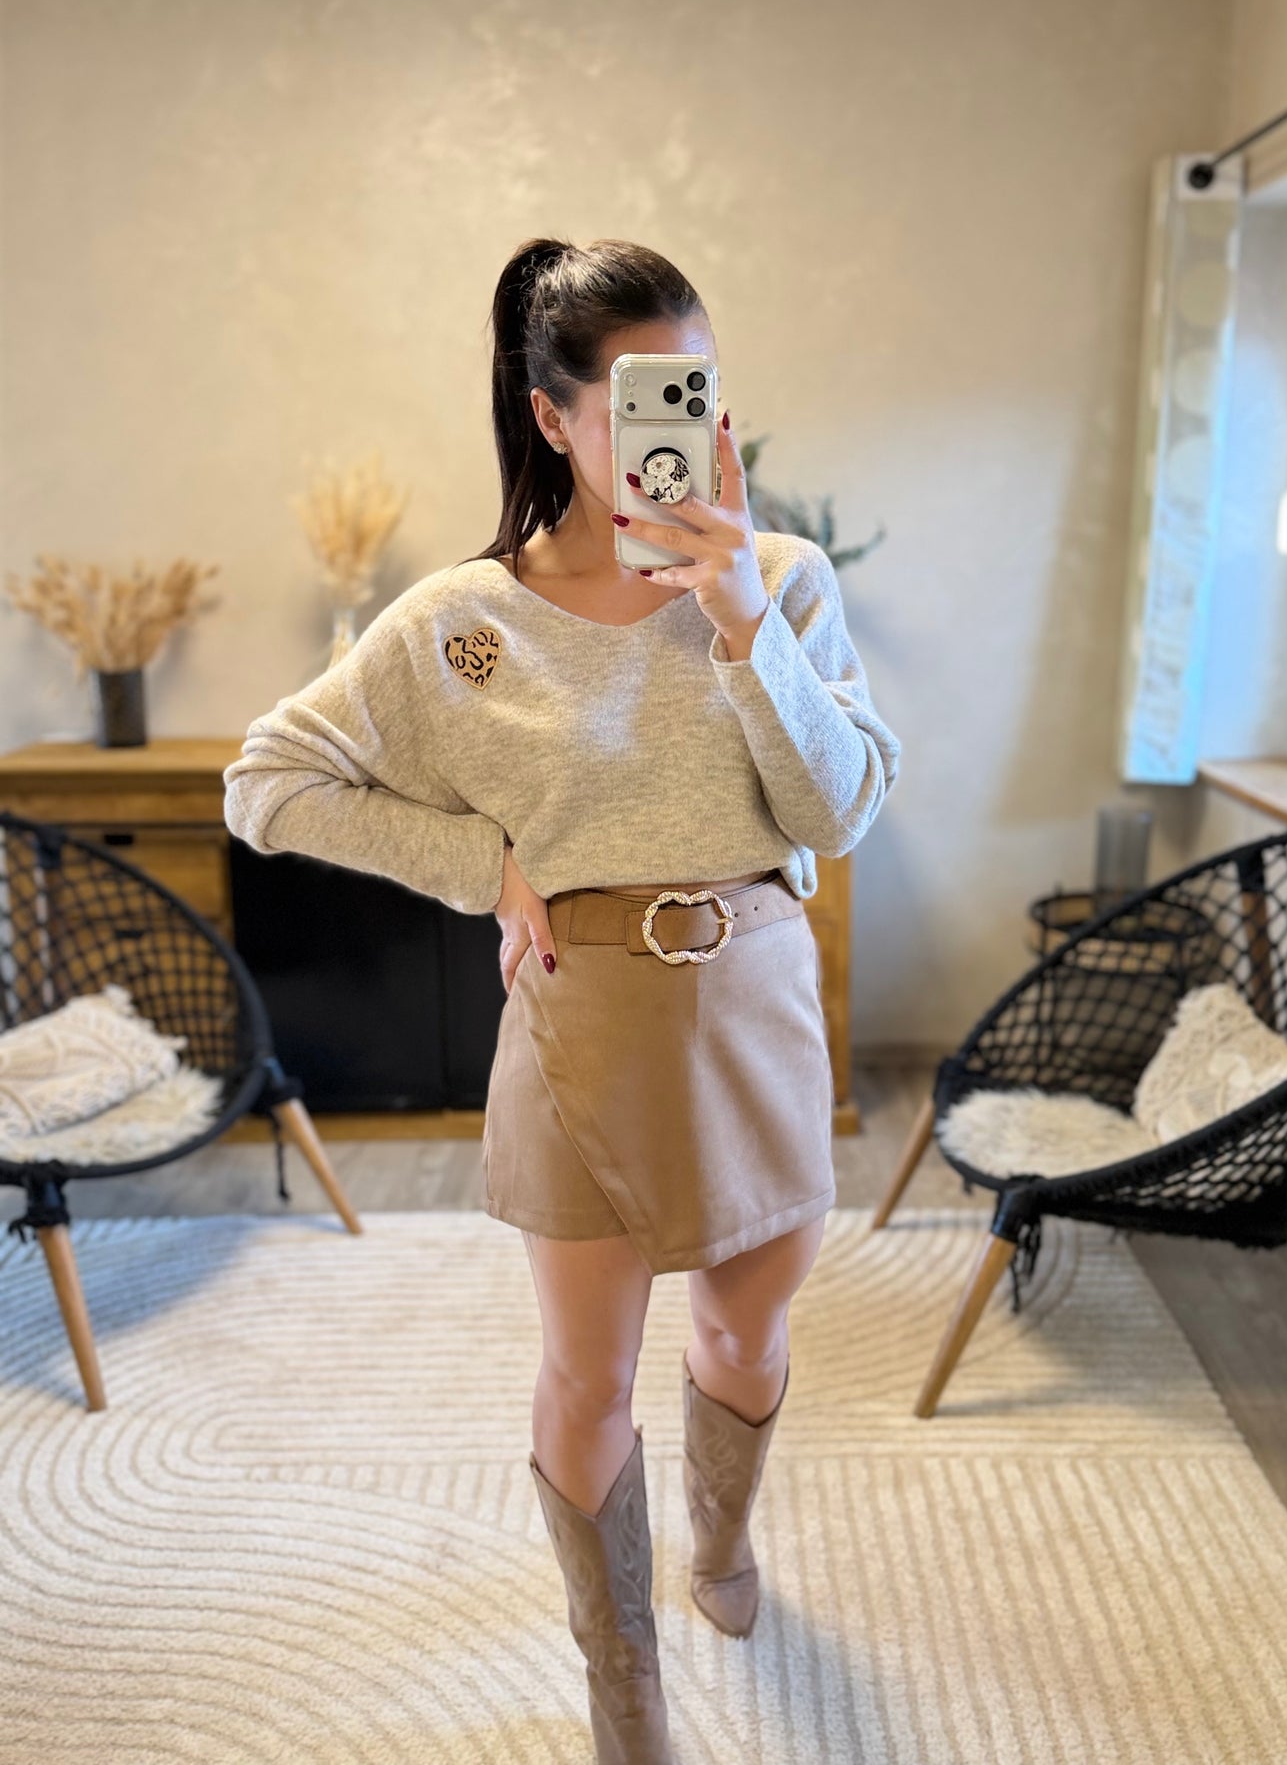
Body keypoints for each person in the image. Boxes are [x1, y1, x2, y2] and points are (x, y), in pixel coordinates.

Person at [223, 235, 901, 1765]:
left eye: (699, 388)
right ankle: (624, 1689)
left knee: (744, 1335)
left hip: (755, 1003)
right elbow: (266, 782)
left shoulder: (783, 581)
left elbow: (839, 810)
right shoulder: (460, 624)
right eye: (644, 395)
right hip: (582, 1014)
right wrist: (482, 864)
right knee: (587, 1370)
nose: (682, 426)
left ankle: (721, 1542)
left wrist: (740, 619)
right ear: (552, 415)